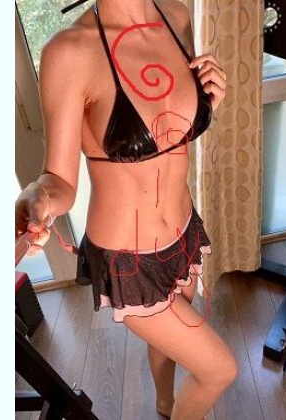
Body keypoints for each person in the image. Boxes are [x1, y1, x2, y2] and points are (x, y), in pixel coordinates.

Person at [15, 1, 238, 418]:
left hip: (184, 232)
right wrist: (38, 196)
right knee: (219, 371)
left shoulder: (176, 16)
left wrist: (209, 97)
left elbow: (170, 127)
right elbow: (58, 180)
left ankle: (164, 405)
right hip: (128, 262)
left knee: (167, 345)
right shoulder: (70, 52)